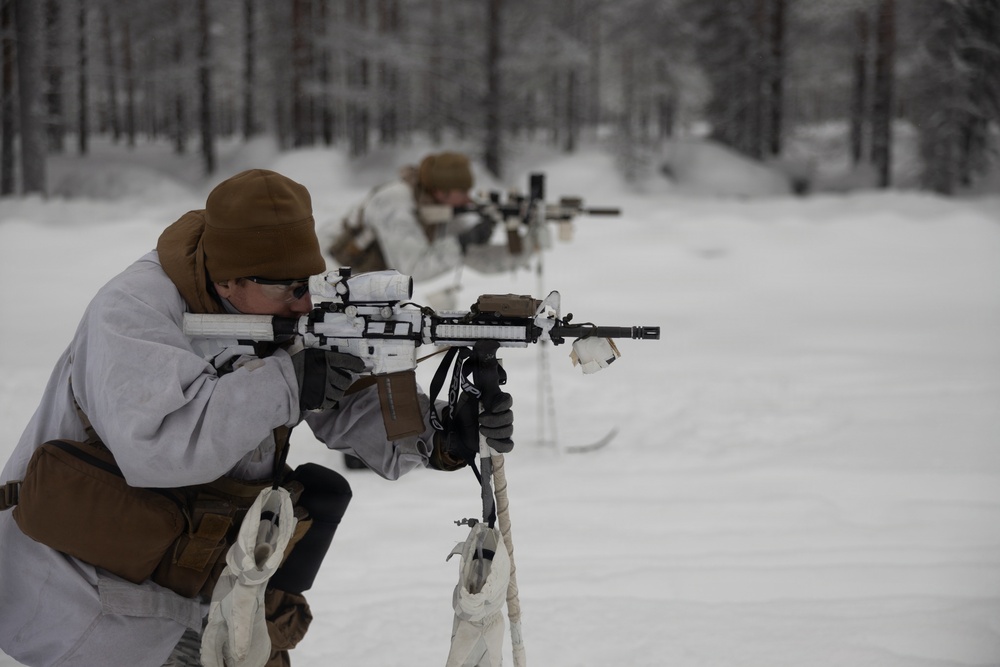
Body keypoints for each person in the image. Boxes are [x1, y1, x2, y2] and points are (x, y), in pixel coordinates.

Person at [0, 169, 513, 667]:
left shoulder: (280, 304)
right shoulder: (134, 313)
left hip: (199, 579)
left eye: (309, 282)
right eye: (290, 288)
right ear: (229, 280)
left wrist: (440, 433)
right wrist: (287, 383)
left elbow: (347, 403)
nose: (306, 301)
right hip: (82, 588)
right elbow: (158, 448)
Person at [326, 151, 527, 286]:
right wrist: (463, 242)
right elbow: (413, 270)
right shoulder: (395, 201)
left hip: (364, 285)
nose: (468, 198)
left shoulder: (440, 209)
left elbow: (479, 260)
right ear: (442, 191)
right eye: (463, 190)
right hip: (329, 279)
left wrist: (530, 244)